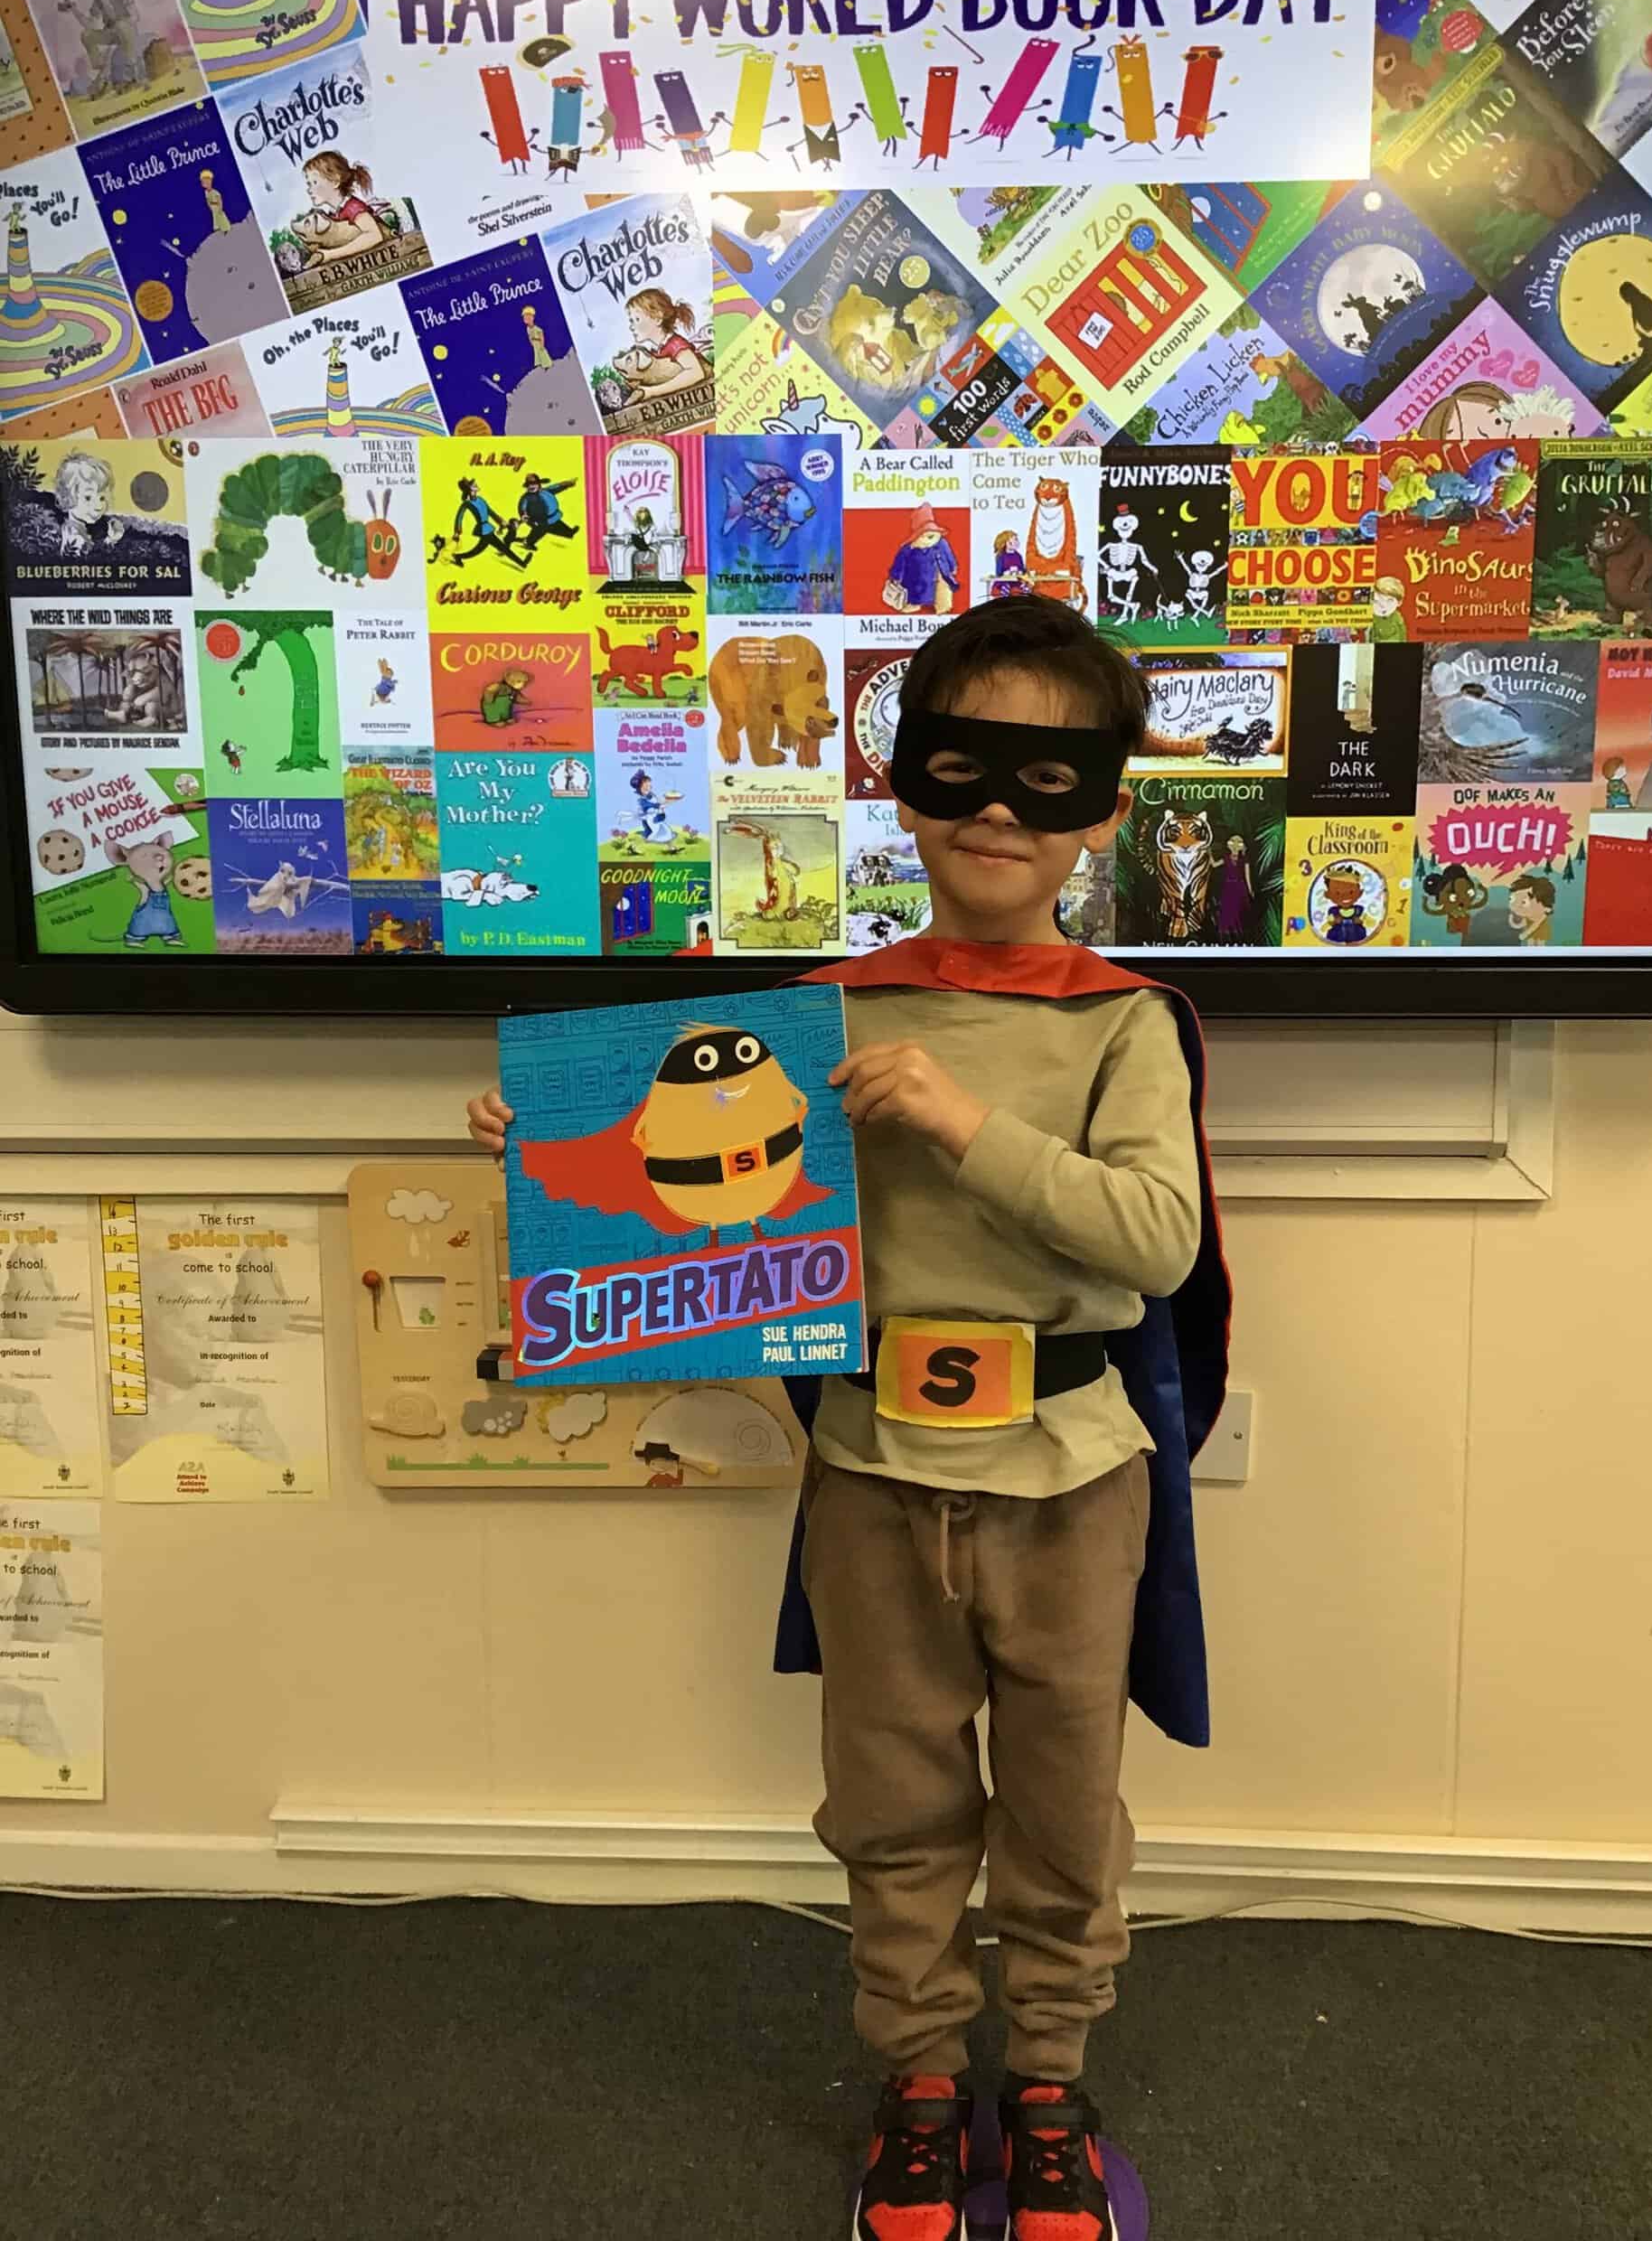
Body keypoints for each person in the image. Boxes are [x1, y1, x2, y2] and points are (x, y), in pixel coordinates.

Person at [465, 595, 1228, 2241]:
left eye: (1048, 778)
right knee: (890, 1800)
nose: (998, 811)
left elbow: (1158, 1239)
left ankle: (1049, 2083)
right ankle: (921, 2083)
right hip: (876, 1467)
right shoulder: (818, 1014)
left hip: (1071, 1477)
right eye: (964, 768)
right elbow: (705, 1202)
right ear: (904, 783)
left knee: (1065, 1798)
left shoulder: (1122, 1020)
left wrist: (962, 1123)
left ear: (1102, 810)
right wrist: (559, 1158)